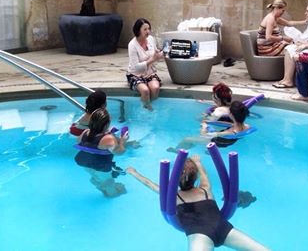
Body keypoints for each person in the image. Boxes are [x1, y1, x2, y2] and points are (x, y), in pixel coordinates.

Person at [126, 155, 269, 251]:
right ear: (195, 179)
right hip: (224, 229)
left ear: (174, 179)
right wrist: (198, 162)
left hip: (200, 235)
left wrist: (134, 172)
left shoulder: (173, 197)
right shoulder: (205, 189)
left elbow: (149, 184)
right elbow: (204, 174)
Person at [74, 108, 129, 197]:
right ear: (107, 124)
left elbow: (79, 142)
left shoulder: (86, 132)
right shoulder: (108, 138)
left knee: (95, 175)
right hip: (100, 165)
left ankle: (98, 183)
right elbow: (119, 152)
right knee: (108, 181)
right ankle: (112, 195)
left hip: (83, 160)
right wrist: (123, 141)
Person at [273, 2, 308, 88]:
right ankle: (287, 79)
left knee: (294, 51)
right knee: (289, 48)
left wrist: (305, 45)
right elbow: (307, 37)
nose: (305, 13)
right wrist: (300, 42)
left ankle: (288, 81)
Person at [168, 101, 252, 152]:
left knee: (187, 139)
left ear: (231, 115)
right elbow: (233, 128)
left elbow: (205, 135)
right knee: (196, 139)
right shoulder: (247, 127)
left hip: (217, 142)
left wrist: (204, 126)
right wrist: (213, 123)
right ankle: (193, 145)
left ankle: (177, 151)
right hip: (228, 141)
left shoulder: (229, 132)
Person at [126, 18, 164, 110]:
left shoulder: (151, 39)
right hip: (135, 74)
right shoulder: (132, 45)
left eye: (149, 29)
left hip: (149, 72)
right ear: (138, 30)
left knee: (155, 88)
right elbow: (136, 68)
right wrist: (152, 59)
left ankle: (152, 107)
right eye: (145, 29)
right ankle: (145, 109)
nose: (148, 31)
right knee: (145, 90)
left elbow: (154, 52)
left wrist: (159, 54)